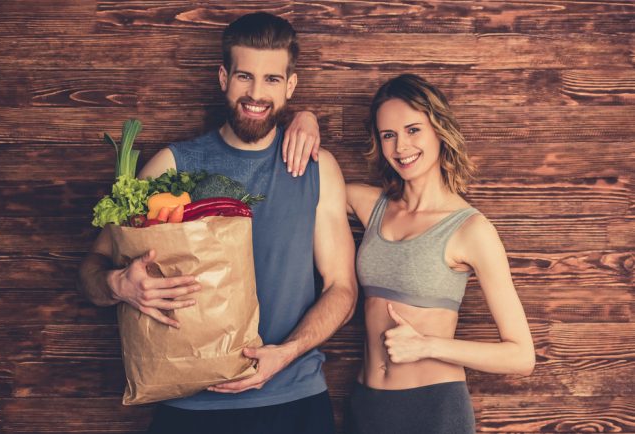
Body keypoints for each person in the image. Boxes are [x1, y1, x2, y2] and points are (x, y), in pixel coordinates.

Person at [76, 12, 357, 434]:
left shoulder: (318, 168)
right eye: (244, 77)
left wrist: (287, 352)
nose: (256, 94)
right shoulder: (173, 164)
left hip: (294, 400)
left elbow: (342, 289)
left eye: (272, 80)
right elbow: (92, 269)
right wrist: (119, 285)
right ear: (223, 77)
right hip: (190, 408)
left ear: (290, 86)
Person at [342, 74, 536, 434]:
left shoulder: (471, 229)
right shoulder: (371, 205)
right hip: (366, 405)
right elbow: (312, 182)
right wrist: (303, 119)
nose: (401, 147)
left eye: (413, 129)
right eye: (388, 135)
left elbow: (521, 356)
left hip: (432, 410)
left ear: (439, 130)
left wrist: (427, 346)